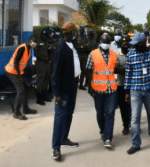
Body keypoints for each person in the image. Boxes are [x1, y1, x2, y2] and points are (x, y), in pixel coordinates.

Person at [124, 33, 150, 154]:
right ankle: (135, 144)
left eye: (136, 43)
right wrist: (126, 92)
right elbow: (128, 74)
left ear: (142, 43)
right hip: (136, 90)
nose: (134, 45)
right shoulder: (131, 54)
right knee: (135, 117)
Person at [51, 22, 81, 161]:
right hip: (62, 90)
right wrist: (56, 94)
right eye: (75, 32)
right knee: (60, 116)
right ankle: (56, 147)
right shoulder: (61, 48)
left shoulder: (71, 45)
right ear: (70, 33)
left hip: (72, 85)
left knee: (69, 113)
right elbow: (55, 74)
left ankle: (64, 138)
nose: (76, 34)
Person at [86, 34, 119, 148]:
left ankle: (108, 138)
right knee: (100, 114)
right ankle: (103, 131)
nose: (106, 44)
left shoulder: (114, 54)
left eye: (108, 42)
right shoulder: (93, 54)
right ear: (100, 42)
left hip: (111, 90)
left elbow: (115, 68)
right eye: (104, 42)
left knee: (110, 113)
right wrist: (90, 86)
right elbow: (89, 70)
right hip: (98, 90)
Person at [5, 35, 38, 120]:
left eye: (35, 43)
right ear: (29, 41)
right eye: (33, 43)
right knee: (21, 90)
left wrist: (23, 73)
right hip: (12, 72)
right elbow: (16, 62)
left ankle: (26, 109)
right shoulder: (22, 48)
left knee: (26, 88)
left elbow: (23, 63)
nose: (34, 45)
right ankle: (16, 112)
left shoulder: (29, 50)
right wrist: (19, 76)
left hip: (19, 72)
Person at [115, 36, 131, 136]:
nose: (125, 46)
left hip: (132, 84)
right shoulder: (116, 55)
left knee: (133, 106)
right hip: (120, 85)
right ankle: (125, 125)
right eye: (123, 44)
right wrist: (128, 69)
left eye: (127, 44)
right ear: (120, 45)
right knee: (123, 106)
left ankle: (133, 124)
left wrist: (122, 69)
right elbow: (115, 69)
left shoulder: (132, 54)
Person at [34, 27, 53, 105]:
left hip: (47, 63)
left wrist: (50, 58)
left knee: (47, 78)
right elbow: (35, 54)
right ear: (42, 33)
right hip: (41, 63)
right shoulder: (36, 41)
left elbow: (51, 49)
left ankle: (44, 95)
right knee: (41, 80)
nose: (46, 36)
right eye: (45, 35)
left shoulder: (47, 41)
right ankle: (39, 98)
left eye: (47, 35)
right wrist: (44, 58)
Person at [74, 26, 89, 90]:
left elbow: (87, 47)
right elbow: (75, 46)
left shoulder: (86, 38)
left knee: (83, 71)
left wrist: (85, 47)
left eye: (82, 30)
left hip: (84, 55)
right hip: (77, 55)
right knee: (76, 70)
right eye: (80, 30)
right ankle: (75, 84)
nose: (81, 31)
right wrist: (83, 47)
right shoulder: (76, 37)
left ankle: (81, 85)